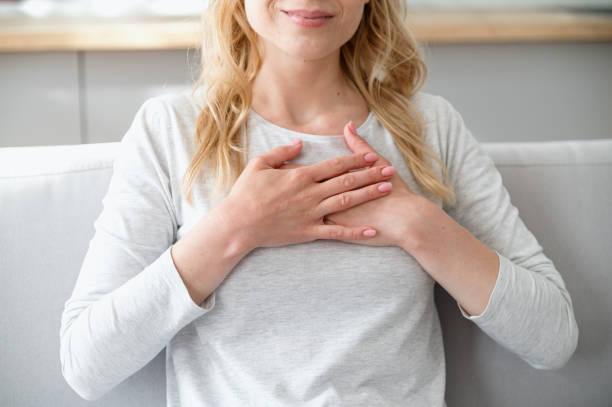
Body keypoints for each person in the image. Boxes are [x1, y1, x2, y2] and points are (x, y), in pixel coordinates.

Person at [59, 0, 579, 405]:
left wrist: (418, 223)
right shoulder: (171, 131)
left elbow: (553, 337)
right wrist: (237, 228)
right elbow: (87, 364)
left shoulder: (431, 128)